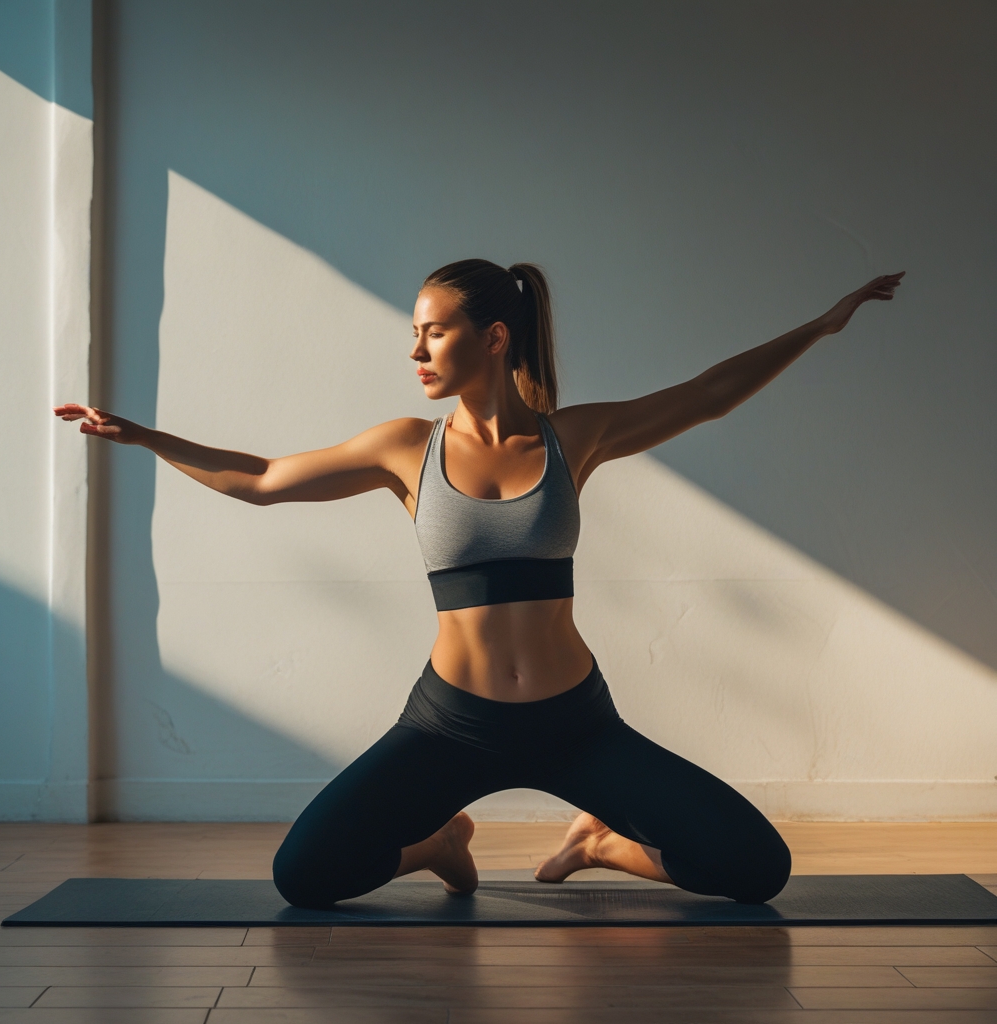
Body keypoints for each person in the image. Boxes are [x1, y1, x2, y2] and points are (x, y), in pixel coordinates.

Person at [56, 259, 903, 907]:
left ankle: (600, 846)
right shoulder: (406, 448)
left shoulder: (575, 438)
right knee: (304, 874)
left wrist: (822, 326)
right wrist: (145, 437)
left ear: (494, 337)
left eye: (433, 332)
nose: (415, 351)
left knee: (755, 868)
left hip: (577, 725)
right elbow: (266, 477)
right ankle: (435, 845)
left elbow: (708, 396)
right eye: (414, 334)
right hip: (450, 726)